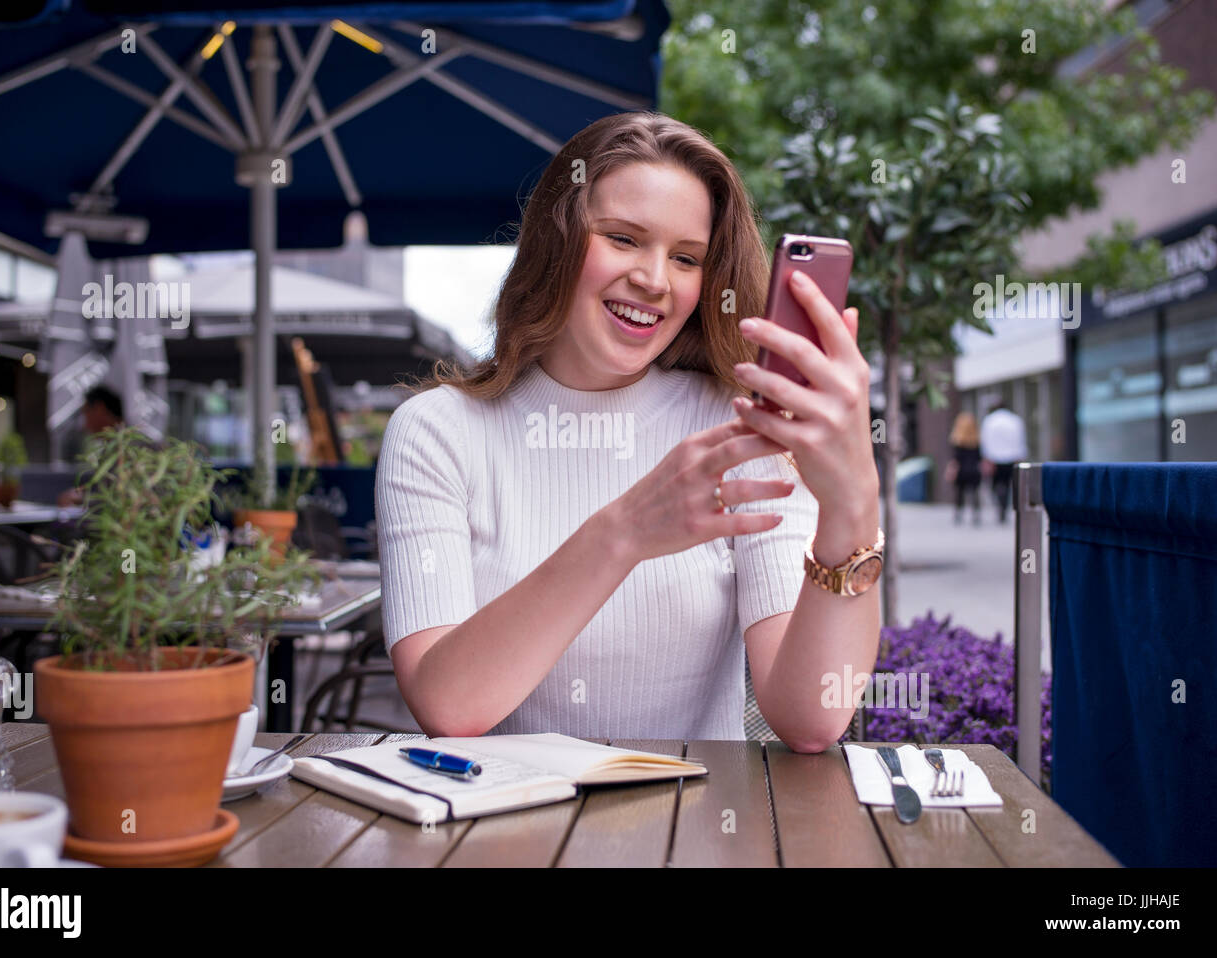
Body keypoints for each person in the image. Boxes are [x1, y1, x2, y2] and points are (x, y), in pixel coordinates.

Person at [374, 112, 883, 750]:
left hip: (694, 835)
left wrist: (855, 504)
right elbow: (447, 706)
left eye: (686, 258)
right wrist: (625, 533)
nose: (654, 279)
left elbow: (810, 719)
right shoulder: (436, 434)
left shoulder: (742, 428)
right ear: (555, 241)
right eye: (622, 238)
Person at [56, 385, 124, 508]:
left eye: (85, 412)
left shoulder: (127, 447)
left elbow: (119, 499)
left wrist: (83, 499)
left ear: (99, 409)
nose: (84, 424)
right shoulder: (114, 446)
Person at [980, 400, 1028, 524]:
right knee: (1007, 484)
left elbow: (985, 441)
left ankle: (1000, 505)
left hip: (994, 458)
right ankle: (1004, 506)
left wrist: (986, 458)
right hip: (1011, 457)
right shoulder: (1015, 420)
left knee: (996, 484)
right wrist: (1021, 456)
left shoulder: (989, 421)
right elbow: (1020, 440)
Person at [945, 411, 983, 525]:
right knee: (975, 493)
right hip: (974, 470)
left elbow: (955, 459)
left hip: (961, 471)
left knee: (960, 493)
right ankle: (976, 515)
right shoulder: (976, 441)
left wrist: (951, 470)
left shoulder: (957, 441)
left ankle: (958, 514)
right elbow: (979, 457)